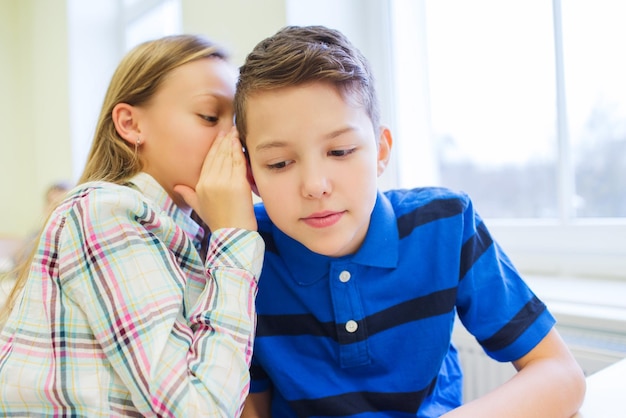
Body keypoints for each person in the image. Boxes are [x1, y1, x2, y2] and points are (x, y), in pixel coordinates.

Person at [233, 26, 586, 417]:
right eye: (279, 163)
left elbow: (561, 373)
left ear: (381, 151)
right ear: (251, 176)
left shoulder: (445, 224)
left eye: (341, 150)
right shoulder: (244, 253)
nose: (315, 186)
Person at [0, 34, 264, 417]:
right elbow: (199, 409)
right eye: (209, 116)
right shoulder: (103, 211)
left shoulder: (190, 232)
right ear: (130, 123)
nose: (233, 138)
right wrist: (236, 239)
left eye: (237, 122)